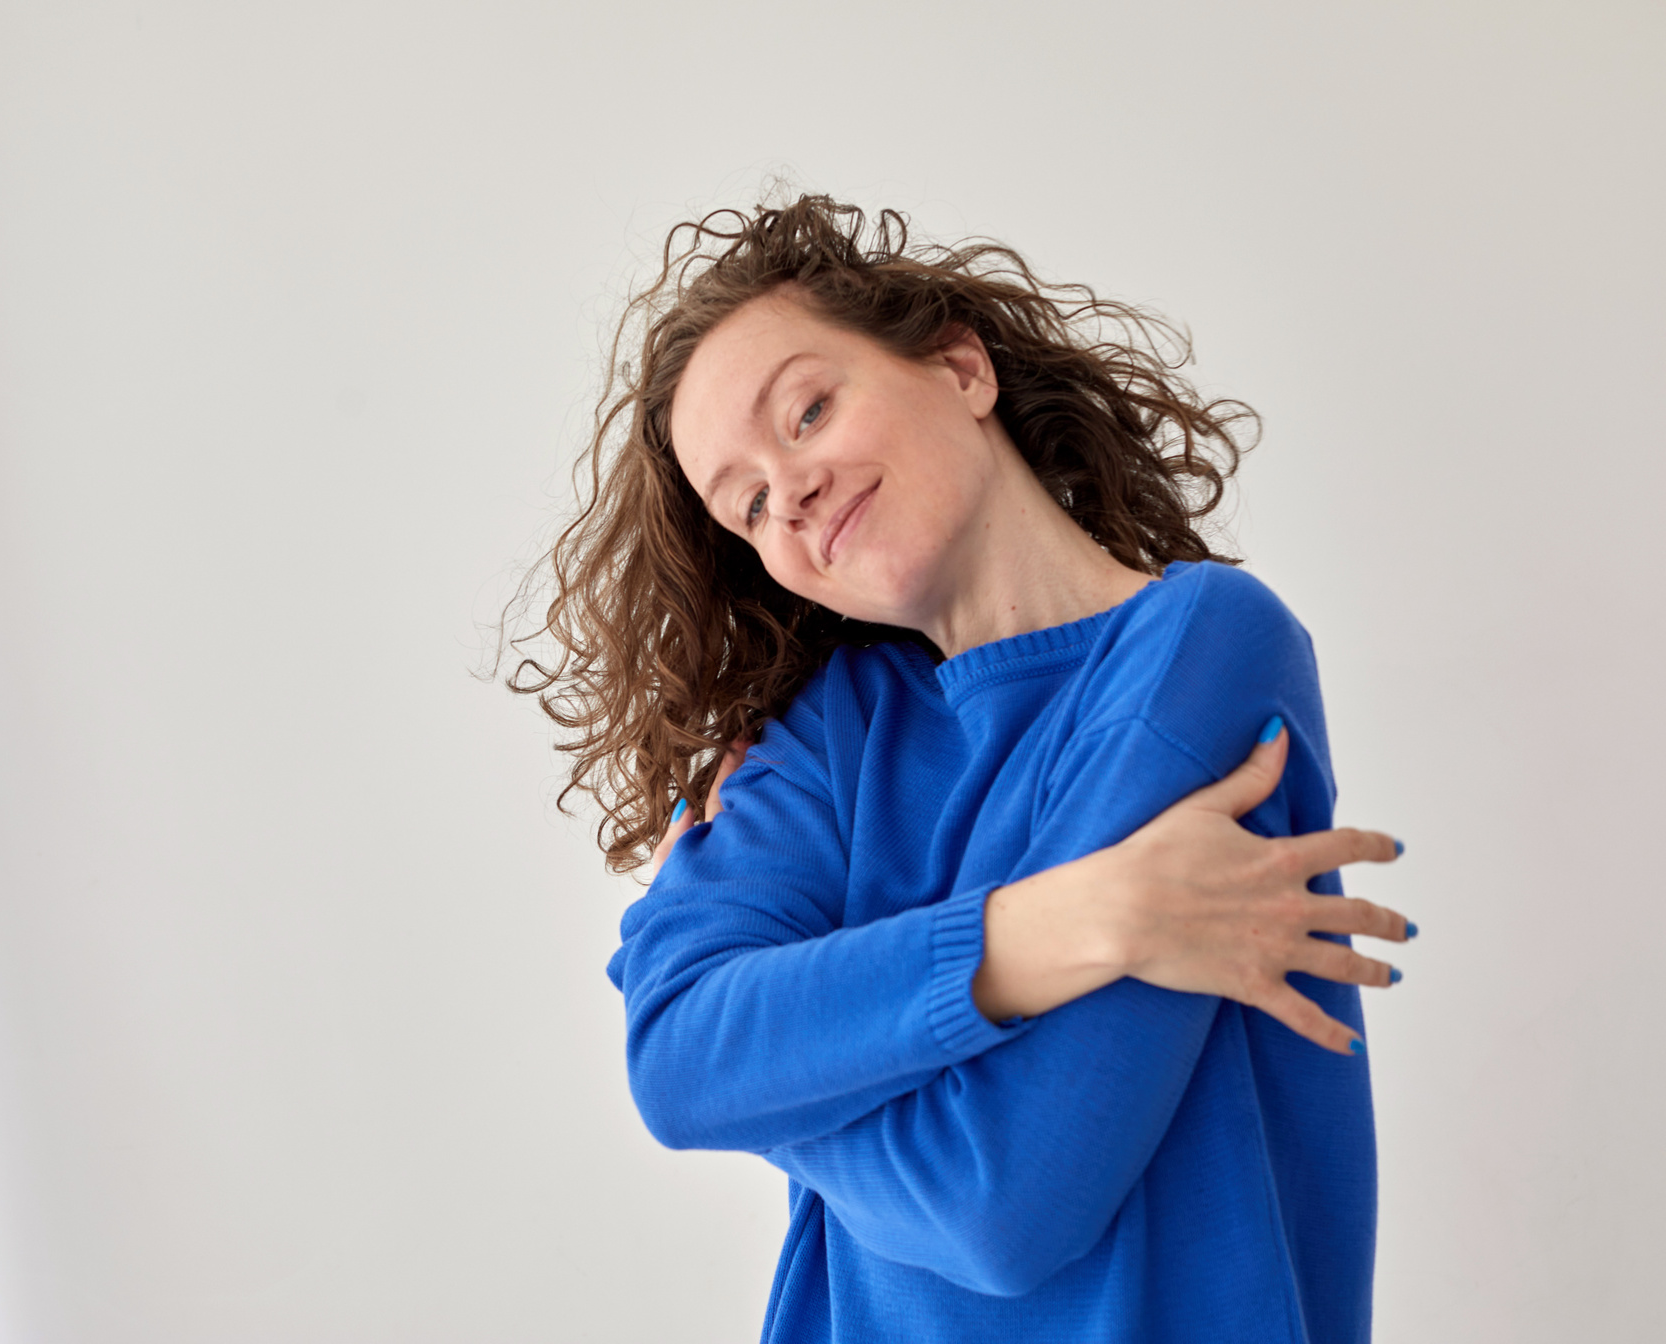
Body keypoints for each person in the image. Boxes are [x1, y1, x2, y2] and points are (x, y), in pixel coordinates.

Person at [508, 196, 1414, 1342]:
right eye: (744, 505)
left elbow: (1003, 1202)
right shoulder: (831, 735)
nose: (784, 493)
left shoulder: (1203, 646)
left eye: (809, 409)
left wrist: (783, 1071)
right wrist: (1076, 919)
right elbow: (677, 1062)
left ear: (959, 368)